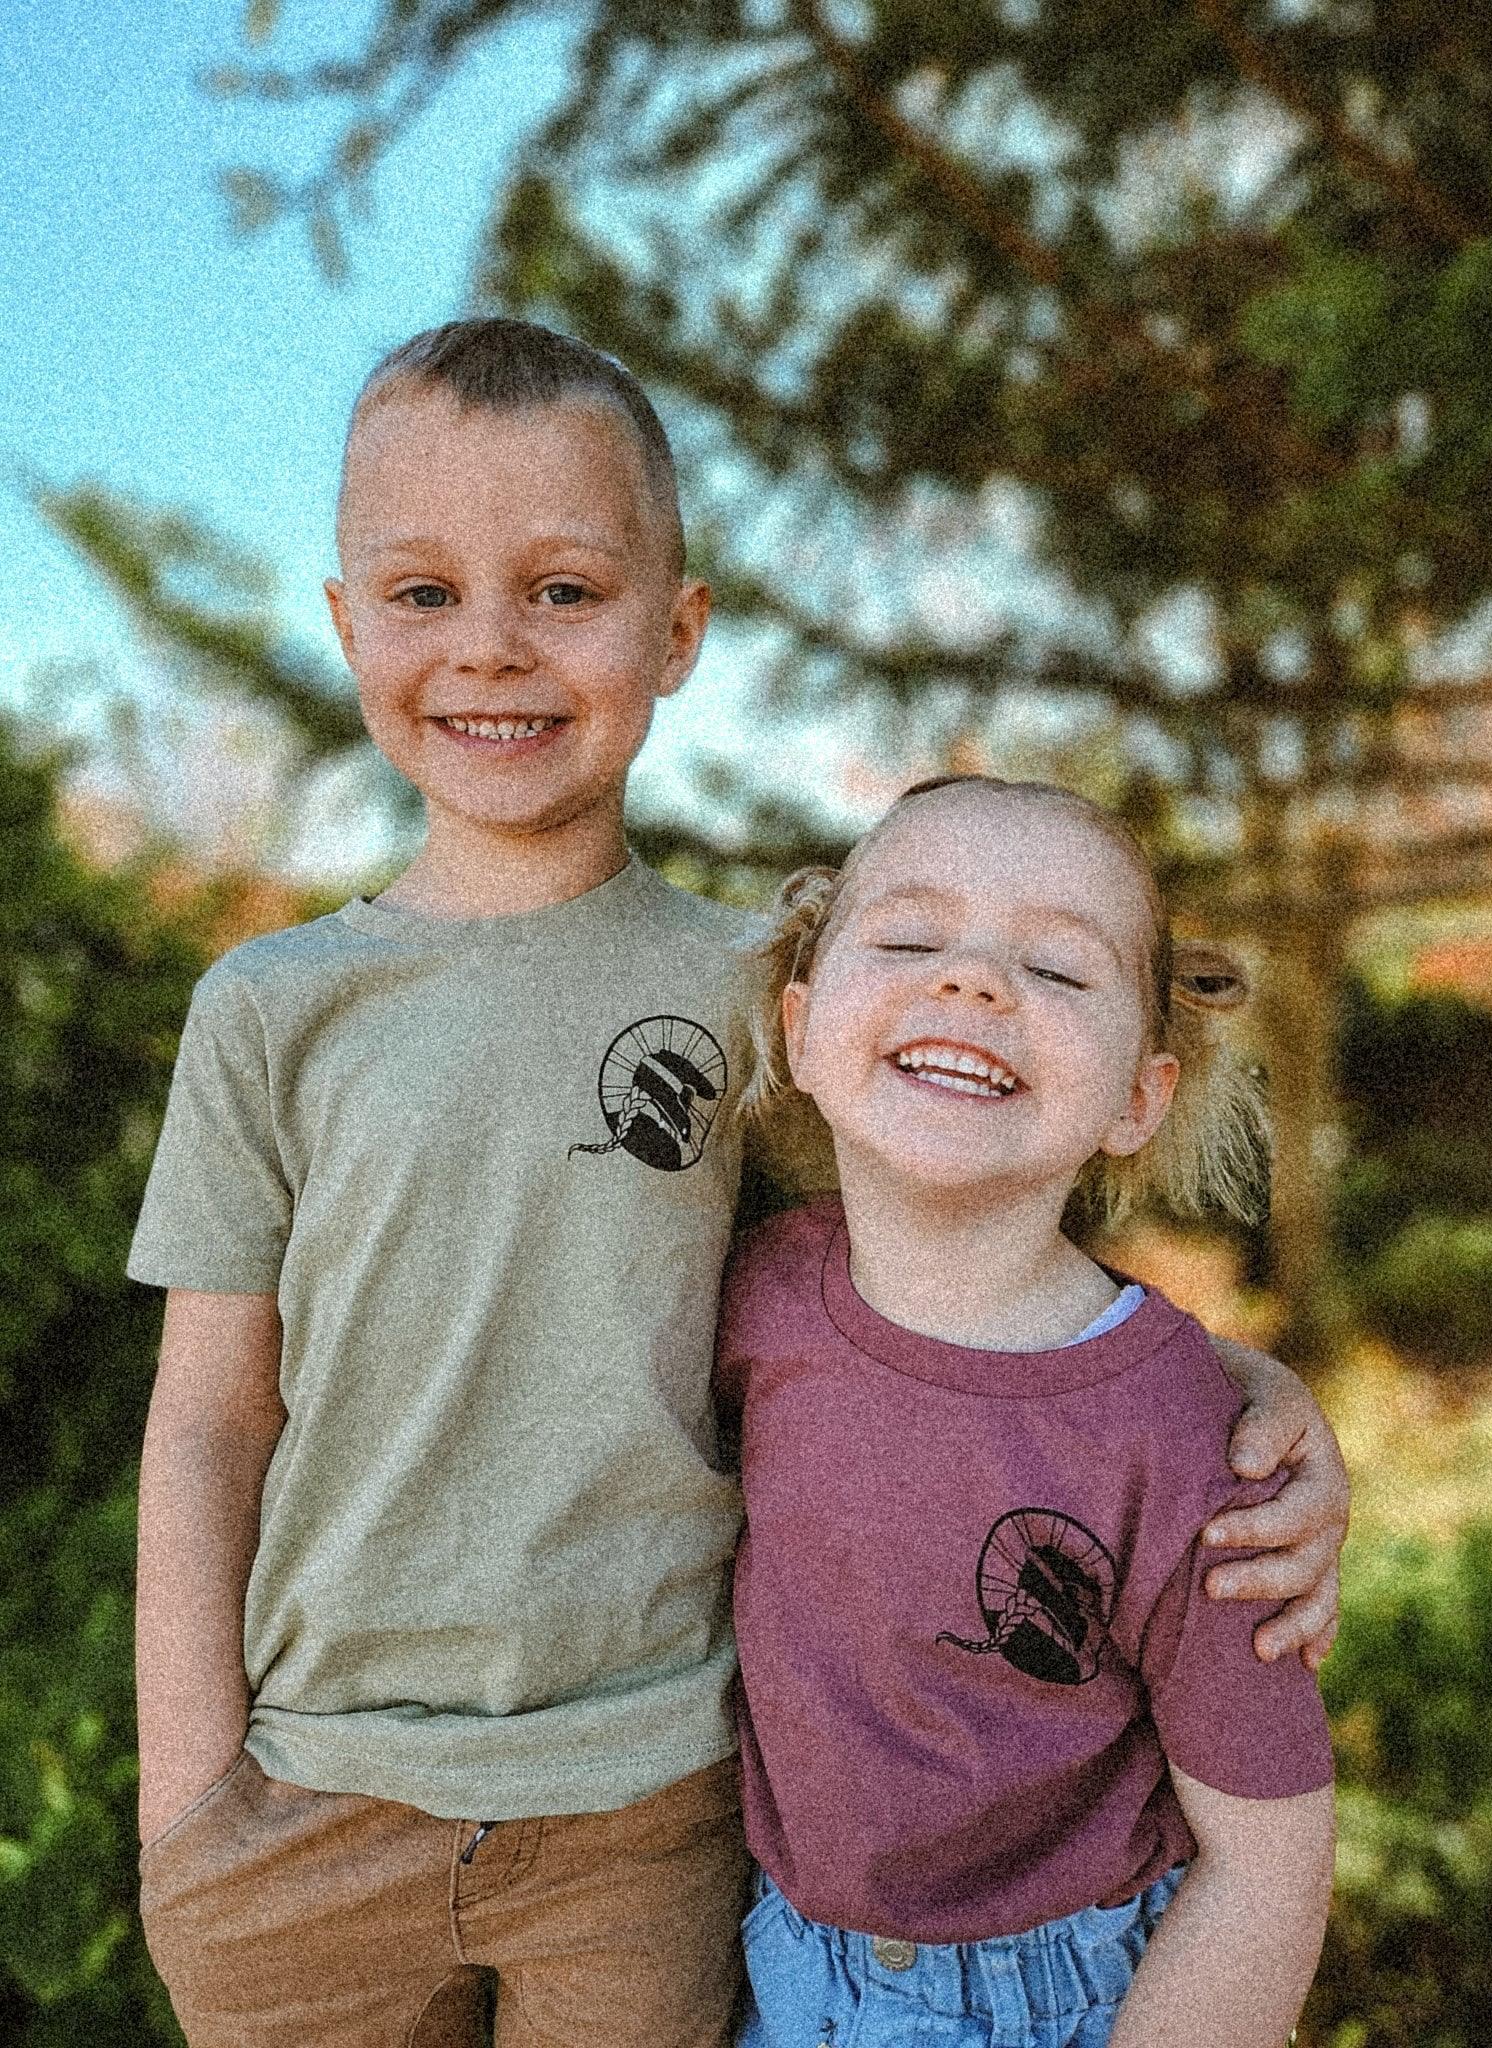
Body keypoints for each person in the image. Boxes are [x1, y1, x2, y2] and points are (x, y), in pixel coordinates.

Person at [129, 321, 1345, 2048]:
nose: (490, 644)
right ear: (344, 626)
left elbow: (950, 1267)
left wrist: (1244, 1398)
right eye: (420, 594)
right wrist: (189, 1817)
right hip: (309, 1803)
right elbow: (206, 1423)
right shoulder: (264, 1009)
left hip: (655, 1810)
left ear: (675, 629)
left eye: (561, 589)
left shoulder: (771, 996)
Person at [718, 775, 1337, 2048]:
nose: (974, 984)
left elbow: (1268, 1870)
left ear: (1136, 1098)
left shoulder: (1188, 1441)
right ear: (797, 1024)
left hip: (1058, 1999)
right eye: (904, 939)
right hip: (771, 1958)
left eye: (1057, 969)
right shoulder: (752, 1291)